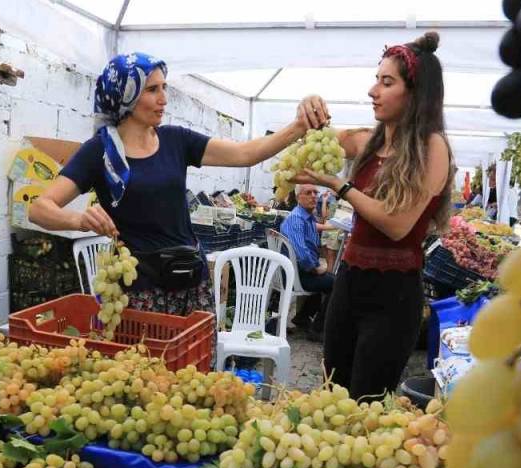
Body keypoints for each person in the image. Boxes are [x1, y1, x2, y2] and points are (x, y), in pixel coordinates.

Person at [28, 52, 327, 315]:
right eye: (153, 89)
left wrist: (298, 126)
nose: (164, 98)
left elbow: (245, 154)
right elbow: (40, 209)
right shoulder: (100, 152)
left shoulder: (176, 140)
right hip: (139, 291)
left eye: (165, 87)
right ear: (127, 96)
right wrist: (79, 219)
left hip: (190, 281)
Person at [291, 32, 454, 399]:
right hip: (349, 282)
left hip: (394, 295)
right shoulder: (369, 141)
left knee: (367, 401)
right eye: (376, 79)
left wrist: (339, 185)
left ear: (415, 94)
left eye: (386, 82)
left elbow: (397, 225)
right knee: (334, 393)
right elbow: (307, 136)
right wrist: (308, 107)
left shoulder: (433, 148)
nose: (372, 91)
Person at [279, 184, 335, 339]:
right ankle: (317, 329)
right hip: (295, 273)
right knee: (336, 284)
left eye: (316, 192)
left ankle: (302, 317)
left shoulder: (308, 218)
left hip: (298, 270)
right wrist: (316, 268)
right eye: (308, 193)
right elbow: (302, 254)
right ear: (298, 197)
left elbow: (311, 247)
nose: (314, 196)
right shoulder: (297, 218)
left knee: (328, 280)